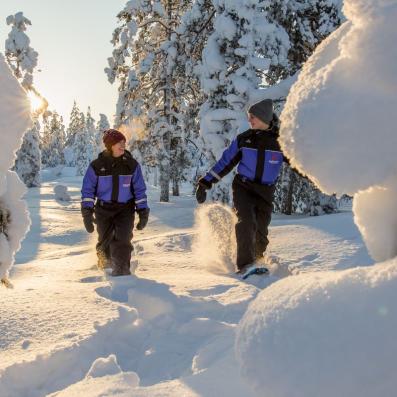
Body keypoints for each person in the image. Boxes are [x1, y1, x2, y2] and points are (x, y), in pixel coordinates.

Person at [196, 99, 288, 274]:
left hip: (266, 191)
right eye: (249, 116)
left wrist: (317, 177)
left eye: (253, 117)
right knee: (245, 222)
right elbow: (225, 162)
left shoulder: (280, 143)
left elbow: (299, 164)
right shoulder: (244, 140)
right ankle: (245, 265)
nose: (250, 120)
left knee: (261, 230)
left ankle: (258, 261)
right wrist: (205, 182)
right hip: (243, 188)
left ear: (263, 117)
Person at [81, 129, 150, 276]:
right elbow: (88, 190)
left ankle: (122, 272)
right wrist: (87, 212)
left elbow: (139, 189)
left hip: (125, 209)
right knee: (104, 241)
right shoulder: (97, 166)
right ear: (110, 145)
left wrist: (143, 211)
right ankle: (105, 269)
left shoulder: (131, 165)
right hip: (103, 209)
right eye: (119, 142)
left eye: (124, 142)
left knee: (123, 239)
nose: (123, 145)